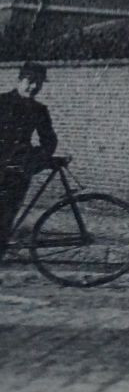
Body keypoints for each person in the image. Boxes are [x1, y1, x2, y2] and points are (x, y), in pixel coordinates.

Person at [0, 63, 57, 256]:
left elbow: (49, 141)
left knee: (5, 221)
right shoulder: (2, 102)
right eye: (30, 81)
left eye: (38, 83)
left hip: (17, 173)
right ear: (19, 80)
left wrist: (33, 161)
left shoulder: (39, 110)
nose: (33, 87)